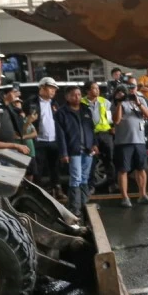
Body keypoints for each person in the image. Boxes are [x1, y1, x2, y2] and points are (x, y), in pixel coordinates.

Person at [54, 84, 98, 217]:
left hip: (88, 150)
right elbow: (60, 135)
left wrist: (94, 144)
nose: (77, 97)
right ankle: (74, 208)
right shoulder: (62, 113)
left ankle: (83, 204)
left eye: (79, 94)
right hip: (73, 150)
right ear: (67, 97)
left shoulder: (86, 110)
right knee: (76, 178)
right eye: (73, 95)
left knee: (85, 177)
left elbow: (91, 129)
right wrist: (64, 153)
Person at [111, 82, 148, 207]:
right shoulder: (115, 103)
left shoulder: (139, 99)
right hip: (123, 142)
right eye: (118, 92)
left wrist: (138, 103)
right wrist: (120, 102)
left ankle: (143, 195)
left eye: (124, 91)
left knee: (141, 168)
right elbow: (116, 120)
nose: (123, 94)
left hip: (139, 141)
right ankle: (125, 197)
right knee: (123, 170)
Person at [29, 77, 62, 197]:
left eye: (54, 89)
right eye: (51, 88)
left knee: (55, 167)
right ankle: (39, 193)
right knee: (38, 168)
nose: (53, 91)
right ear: (42, 88)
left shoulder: (54, 103)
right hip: (39, 141)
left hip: (53, 140)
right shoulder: (32, 102)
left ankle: (57, 189)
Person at [86, 81, 115, 195]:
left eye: (98, 88)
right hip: (90, 135)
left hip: (105, 134)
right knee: (92, 161)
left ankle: (112, 183)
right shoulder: (82, 102)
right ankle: (91, 185)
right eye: (94, 88)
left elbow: (110, 117)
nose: (97, 90)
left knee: (109, 160)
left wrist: (112, 127)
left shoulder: (104, 102)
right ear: (88, 90)